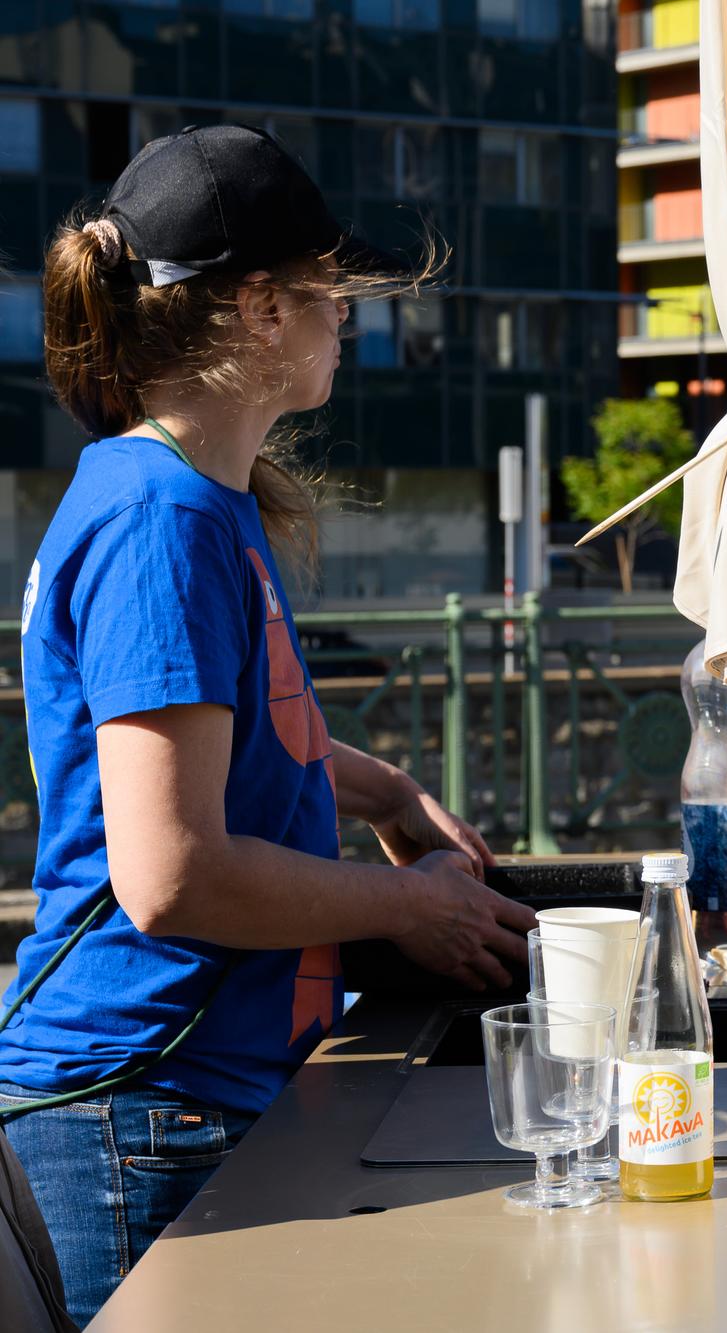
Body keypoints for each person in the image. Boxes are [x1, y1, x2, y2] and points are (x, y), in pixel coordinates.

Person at [0, 125, 535, 1324]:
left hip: (173, 1099)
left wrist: (382, 790)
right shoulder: (161, 522)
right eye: (327, 291)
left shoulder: (179, 493)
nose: (343, 317)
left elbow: (216, 747)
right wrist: (410, 905)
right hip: (143, 1105)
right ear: (256, 307)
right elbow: (171, 873)